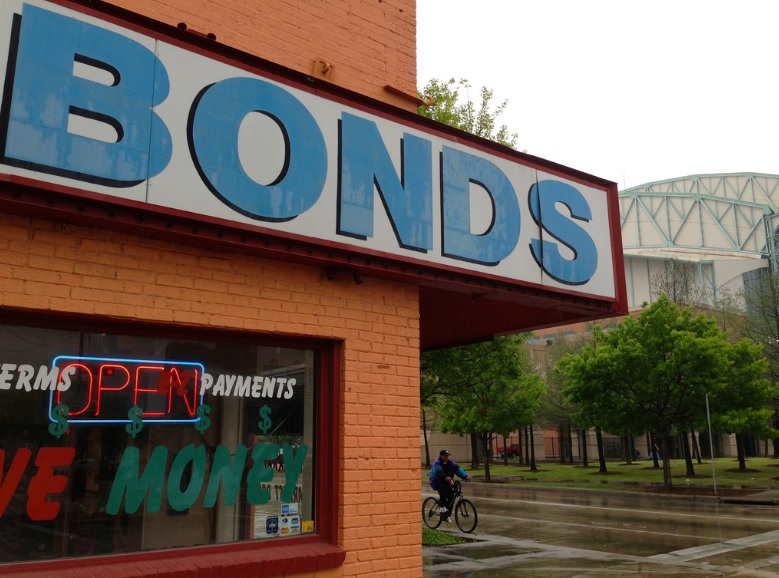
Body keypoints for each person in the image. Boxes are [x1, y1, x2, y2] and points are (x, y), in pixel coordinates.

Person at [429, 449, 471, 523]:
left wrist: (465, 476)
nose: (447, 457)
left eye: (448, 456)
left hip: (448, 480)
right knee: (443, 491)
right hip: (437, 480)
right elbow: (439, 472)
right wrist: (445, 477)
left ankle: (446, 515)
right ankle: (442, 508)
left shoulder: (450, 462)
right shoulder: (437, 462)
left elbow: (458, 469)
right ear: (441, 456)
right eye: (445, 456)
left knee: (452, 495)